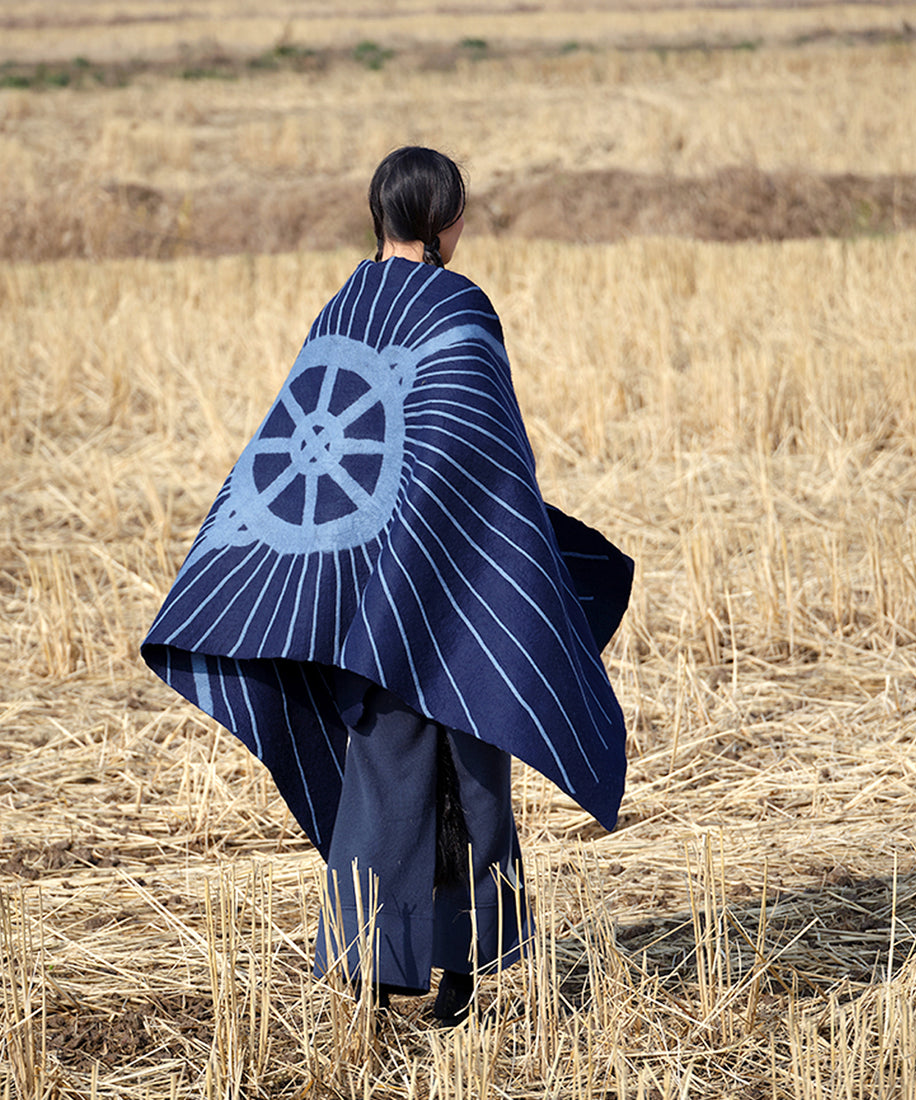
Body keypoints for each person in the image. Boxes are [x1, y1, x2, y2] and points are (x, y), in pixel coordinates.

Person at [141, 146, 633, 1024]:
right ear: (447, 219)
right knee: (472, 777)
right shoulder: (460, 306)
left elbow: (294, 452)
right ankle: (458, 977)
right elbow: (486, 457)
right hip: (456, 589)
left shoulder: (344, 306)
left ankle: (376, 971)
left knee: (386, 777)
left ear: (381, 213)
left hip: (363, 597)